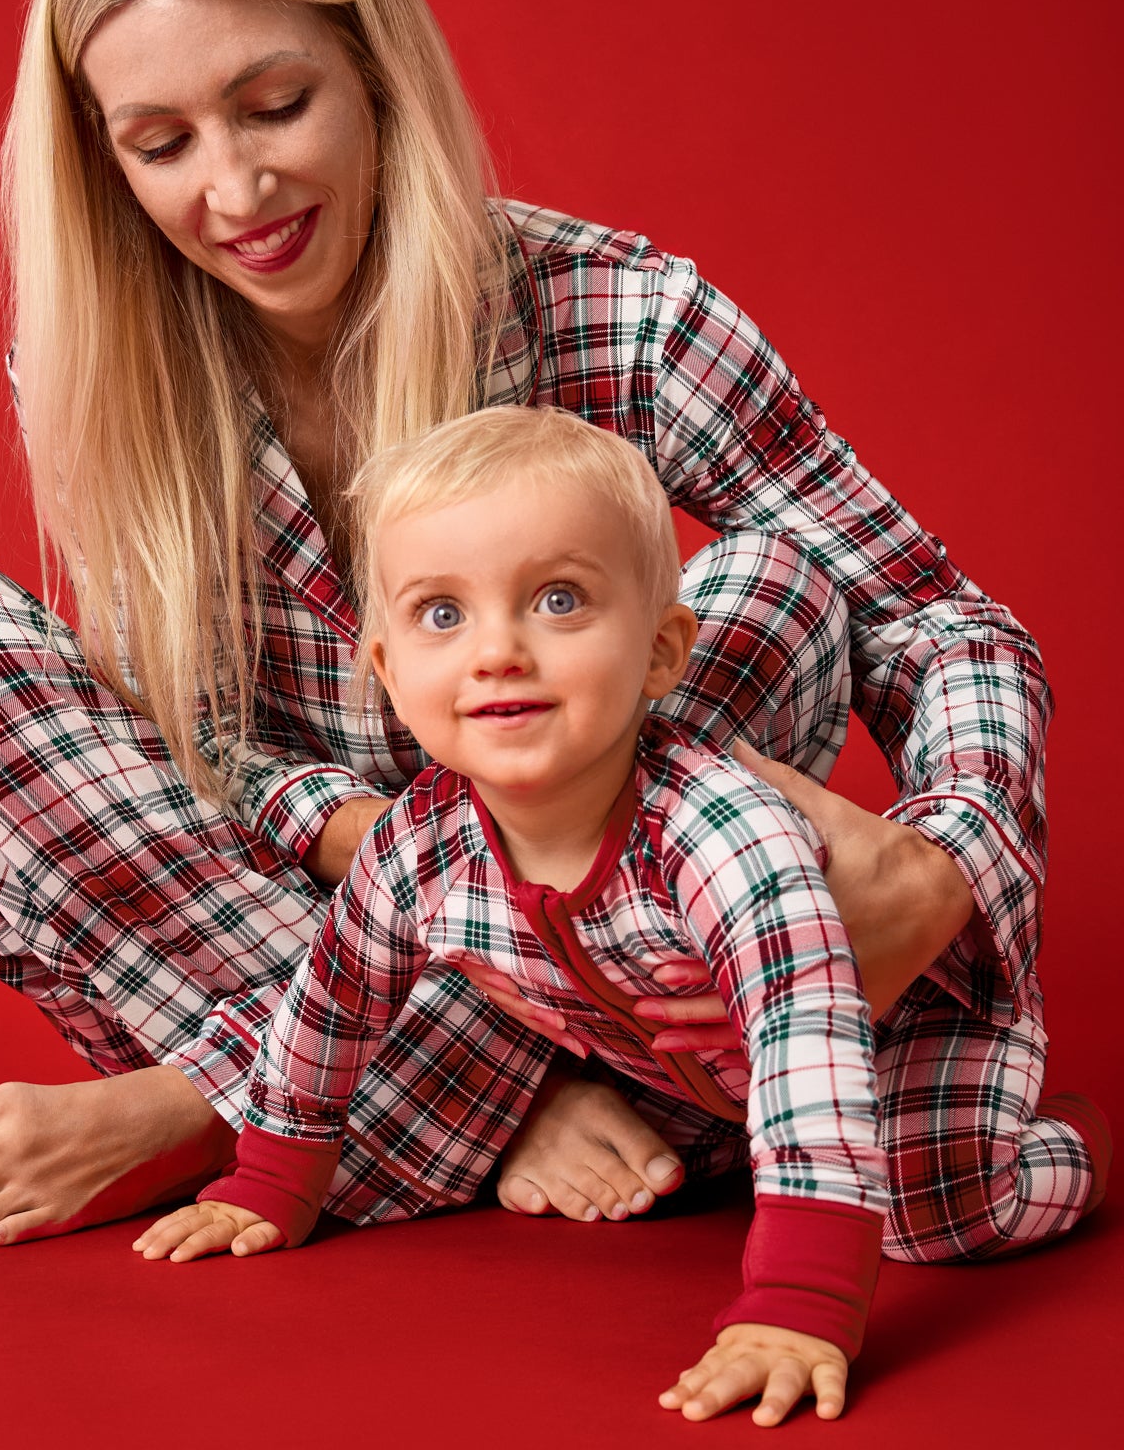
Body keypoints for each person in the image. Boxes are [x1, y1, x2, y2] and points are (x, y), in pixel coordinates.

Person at [0, 0, 1042, 1247]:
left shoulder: (622, 313)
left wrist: (944, 868)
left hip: (599, 917)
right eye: (161, 144)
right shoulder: (98, 370)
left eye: (275, 105)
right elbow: (196, 745)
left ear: (373, 72)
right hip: (325, 923)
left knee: (770, 598)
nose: (235, 187)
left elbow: (938, 627)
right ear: (104, 164)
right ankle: (479, 1105)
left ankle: (213, 1112)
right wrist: (407, 861)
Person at [132, 407, 1106, 1427]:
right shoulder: (417, 843)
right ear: (389, 673)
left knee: (939, 1211)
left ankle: (1066, 1144)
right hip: (694, 1075)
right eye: (441, 614)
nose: (497, 651)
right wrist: (272, 1180)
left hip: (902, 1028)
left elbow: (807, 1045)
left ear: (660, 652)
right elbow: (332, 1004)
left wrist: (798, 1304)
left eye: (558, 600)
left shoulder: (717, 830)